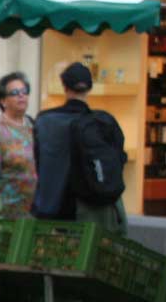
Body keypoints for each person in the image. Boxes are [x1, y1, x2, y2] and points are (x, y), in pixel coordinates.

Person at [33, 62, 128, 233]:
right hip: (92, 209)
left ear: (64, 86)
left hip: (54, 209)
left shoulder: (45, 121)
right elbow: (119, 161)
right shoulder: (104, 123)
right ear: (90, 87)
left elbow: (38, 163)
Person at [0, 73, 37, 218]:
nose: (21, 96)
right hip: (8, 217)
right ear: (3, 101)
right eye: (15, 93)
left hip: (36, 214)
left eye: (25, 92)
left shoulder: (35, 128)